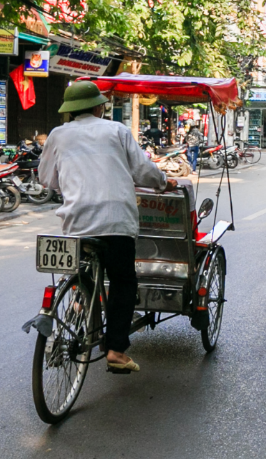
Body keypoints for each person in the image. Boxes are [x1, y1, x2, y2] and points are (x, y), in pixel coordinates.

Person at [38, 81, 178, 374]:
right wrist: (165, 183)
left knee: (82, 269)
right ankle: (116, 350)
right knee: (123, 281)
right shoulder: (116, 130)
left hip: (77, 221)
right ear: (99, 106)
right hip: (116, 220)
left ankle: (81, 300)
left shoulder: (57, 135)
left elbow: (46, 179)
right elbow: (142, 171)